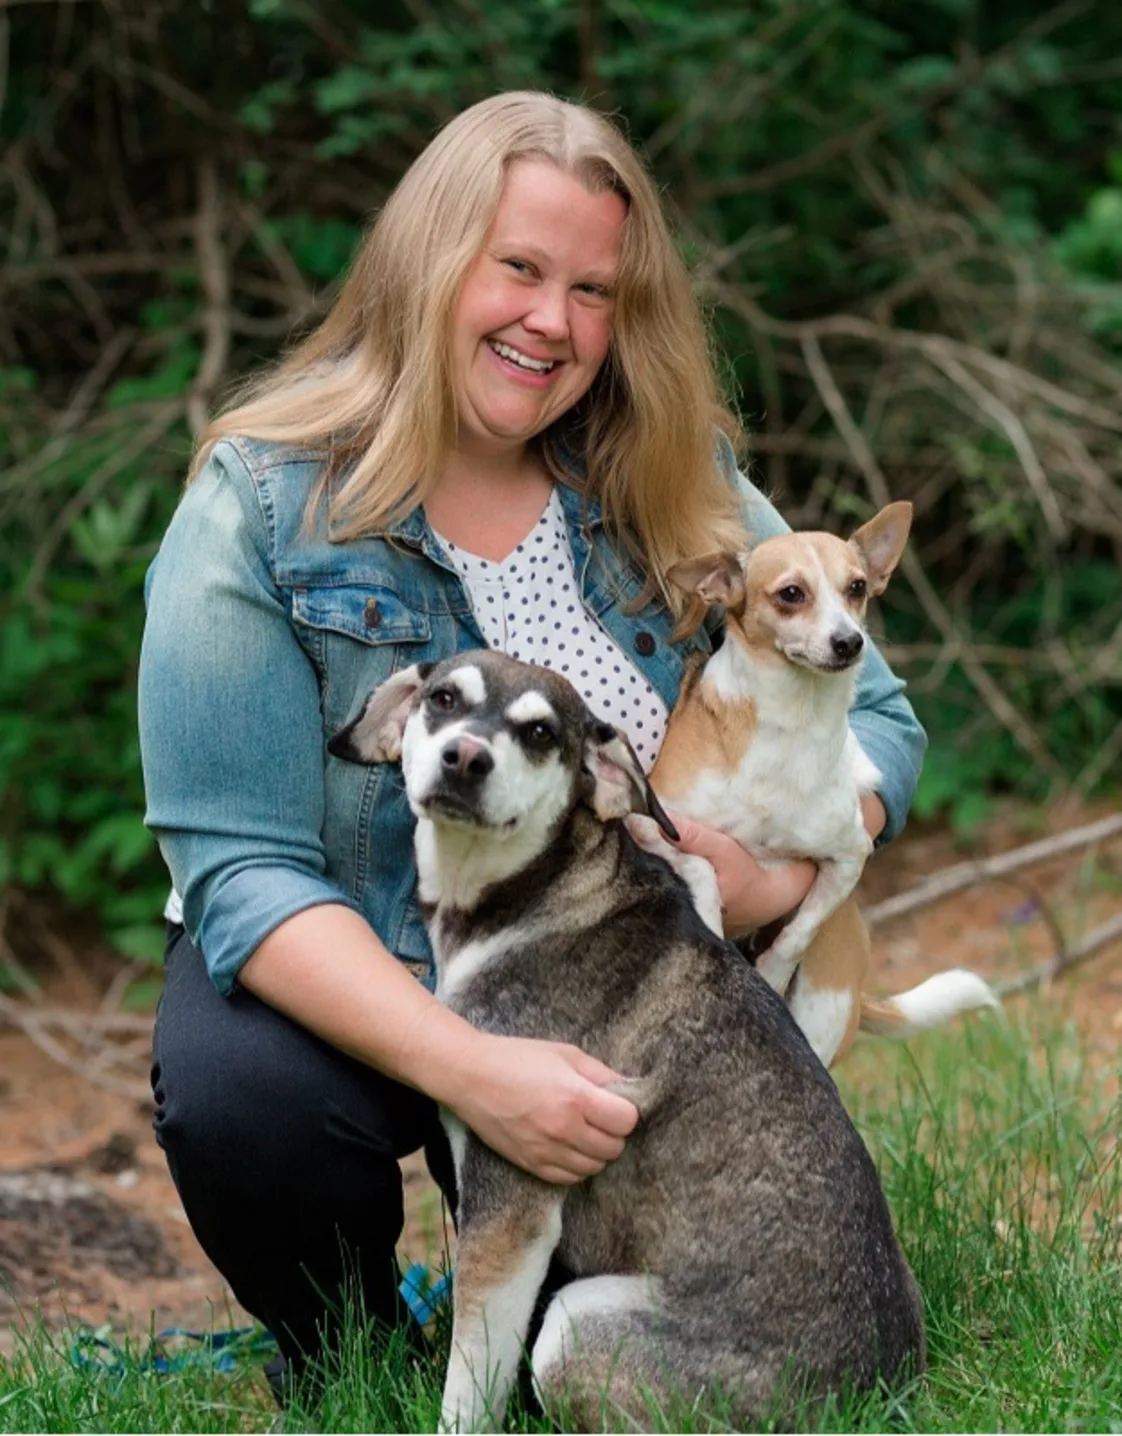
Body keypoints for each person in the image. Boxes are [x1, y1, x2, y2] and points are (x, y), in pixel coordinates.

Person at [137, 91, 926, 1395]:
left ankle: (575, 1303)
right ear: (427, 261)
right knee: (241, 1096)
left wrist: (769, 878)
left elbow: (881, 726)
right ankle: (348, 1352)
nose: (550, 323)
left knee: (609, 1348)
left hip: (619, 991)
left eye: (592, 290)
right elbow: (241, 867)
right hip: (370, 963)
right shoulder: (262, 502)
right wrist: (476, 1070)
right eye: (517, 267)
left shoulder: (671, 475)